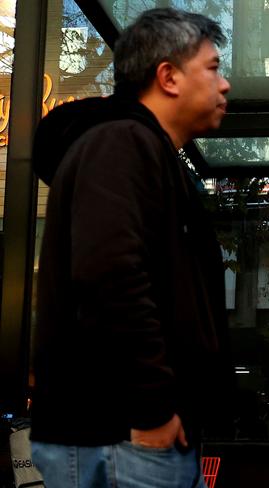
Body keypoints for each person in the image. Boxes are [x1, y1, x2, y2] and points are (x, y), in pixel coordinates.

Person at [29, 8, 234, 488]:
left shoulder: (147, 154)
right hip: (125, 438)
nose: (224, 85)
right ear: (168, 77)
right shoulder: (122, 143)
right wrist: (153, 409)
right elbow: (110, 277)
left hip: (135, 437)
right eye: (212, 67)